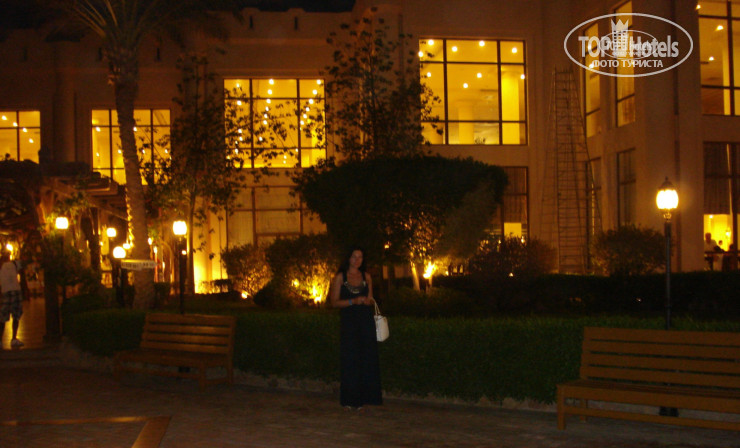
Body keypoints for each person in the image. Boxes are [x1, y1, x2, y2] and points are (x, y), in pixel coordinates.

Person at [330, 247, 382, 411]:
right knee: (350, 359)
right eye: (354, 256)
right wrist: (353, 301)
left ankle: (366, 398)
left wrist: (367, 301)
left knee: (366, 358)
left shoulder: (367, 277)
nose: (357, 260)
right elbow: (334, 302)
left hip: (365, 321)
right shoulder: (341, 277)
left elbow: (371, 299)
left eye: (360, 257)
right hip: (349, 323)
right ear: (349, 258)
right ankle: (350, 399)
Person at [0, 251, 24, 348]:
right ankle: (10, 339)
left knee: (12, 316)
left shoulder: (14, 264)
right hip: (10, 291)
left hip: (9, 291)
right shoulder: (13, 264)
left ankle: (12, 338)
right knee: (4, 317)